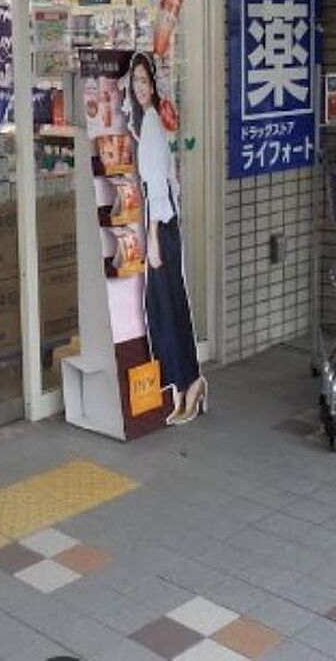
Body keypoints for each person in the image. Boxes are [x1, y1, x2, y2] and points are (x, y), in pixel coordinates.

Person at [128, 51, 206, 424]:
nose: (140, 87)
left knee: (166, 309)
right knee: (169, 306)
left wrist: (154, 238)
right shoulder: (149, 122)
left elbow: (158, 186)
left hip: (162, 225)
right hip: (165, 222)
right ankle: (187, 385)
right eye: (135, 81)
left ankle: (189, 384)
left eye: (145, 81)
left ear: (155, 84)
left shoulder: (152, 125)